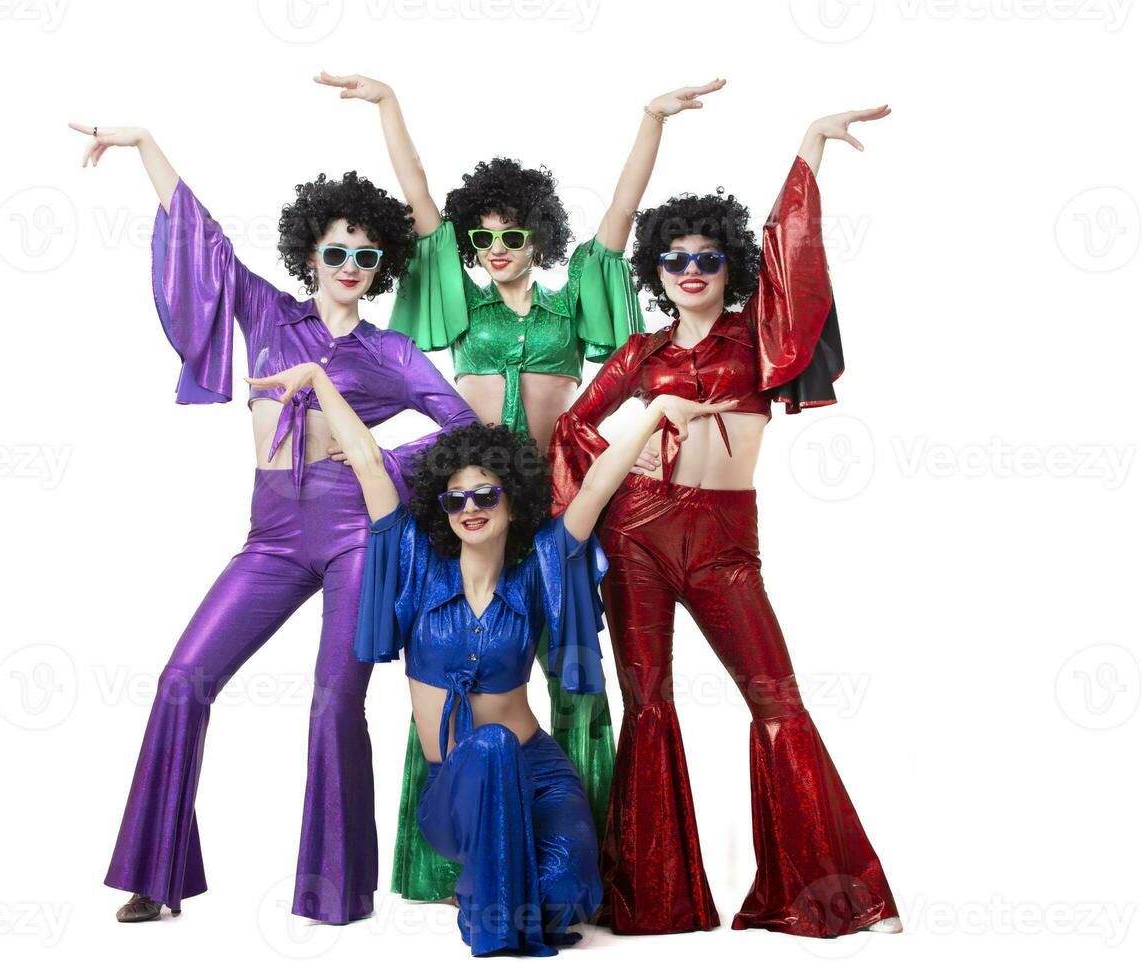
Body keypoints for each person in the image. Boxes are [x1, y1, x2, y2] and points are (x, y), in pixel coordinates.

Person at [316, 70, 725, 899]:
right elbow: (421, 198)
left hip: (553, 508)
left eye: (512, 236)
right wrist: (390, 101)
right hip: (462, 510)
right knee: (451, 668)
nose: (497, 251)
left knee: (573, 677)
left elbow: (618, 213)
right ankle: (449, 861)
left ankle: (588, 861)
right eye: (484, 241)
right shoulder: (464, 309)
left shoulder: (572, 305)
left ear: (538, 237)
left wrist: (651, 117)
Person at [68, 122, 477, 923]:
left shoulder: (392, 352)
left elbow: (464, 427)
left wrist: (381, 470)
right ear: (310, 257)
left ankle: (333, 892)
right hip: (274, 536)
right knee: (184, 678)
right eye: (337, 253)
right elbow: (204, 242)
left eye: (365, 257)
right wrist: (147, 144)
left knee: (332, 701)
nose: (351, 269)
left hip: (359, 536)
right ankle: (157, 876)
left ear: (381, 266)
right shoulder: (269, 315)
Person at [546, 104, 902, 937]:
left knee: (777, 702)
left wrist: (809, 145)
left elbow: (792, 259)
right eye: (674, 259)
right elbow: (573, 426)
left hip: (723, 546)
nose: (690, 269)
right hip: (634, 537)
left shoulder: (757, 340)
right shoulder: (640, 354)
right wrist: (644, 434)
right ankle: (652, 902)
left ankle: (834, 895)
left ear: (727, 265)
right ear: (656, 271)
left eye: (706, 258)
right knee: (649, 707)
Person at [245, 359, 730, 954]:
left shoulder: (540, 565)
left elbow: (599, 483)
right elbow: (371, 464)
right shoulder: (417, 563)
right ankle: (491, 909)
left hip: (539, 776)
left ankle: (503, 887)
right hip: (457, 788)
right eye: (455, 499)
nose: (470, 508)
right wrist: (320, 380)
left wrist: (655, 411)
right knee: (491, 744)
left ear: (512, 498)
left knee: (564, 895)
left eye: (485, 494)